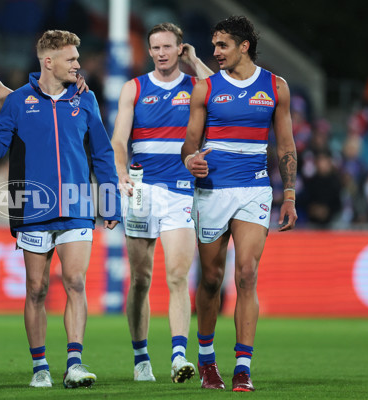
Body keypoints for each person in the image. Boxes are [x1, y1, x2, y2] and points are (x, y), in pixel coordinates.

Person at [0, 30, 121, 389]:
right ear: (48, 62)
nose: (78, 64)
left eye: (77, 58)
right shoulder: (17, 101)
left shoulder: (85, 100)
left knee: (75, 281)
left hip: (77, 203)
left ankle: (74, 363)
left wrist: (111, 200)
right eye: (71, 59)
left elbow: (102, 153)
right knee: (37, 289)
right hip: (31, 205)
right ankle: (40, 366)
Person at [181, 16, 298, 392]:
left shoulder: (275, 87)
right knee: (212, 279)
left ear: (243, 46)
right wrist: (190, 160)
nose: (215, 53)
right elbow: (190, 143)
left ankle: (243, 368)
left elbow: (286, 146)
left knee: (246, 274)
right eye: (214, 46)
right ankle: (207, 362)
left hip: (254, 189)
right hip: (212, 190)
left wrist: (291, 194)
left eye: (222, 46)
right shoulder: (205, 89)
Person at [110, 22, 213, 383]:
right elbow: (119, 140)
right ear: (149, 51)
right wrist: (121, 172)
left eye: (168, 47)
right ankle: (141, 359)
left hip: (180, 190)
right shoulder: (133, 88)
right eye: (155, 47)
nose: (161, 53)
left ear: (180, 48)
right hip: (141, 191)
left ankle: (179, 356)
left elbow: (222, 92)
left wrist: (196, 61)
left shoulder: (197, 87)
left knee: (177, 276)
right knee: (140, 278)